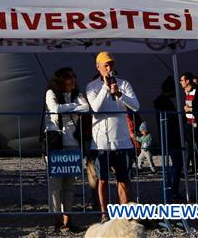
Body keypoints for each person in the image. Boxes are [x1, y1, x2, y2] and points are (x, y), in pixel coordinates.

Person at [86, 52, 139, 220]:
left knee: (123, 180)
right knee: (102, 180)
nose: (109, 68)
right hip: (100, 143)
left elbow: (136, 106)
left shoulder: (124, 84)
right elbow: (96, 108)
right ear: (98, 67)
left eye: (111, 64)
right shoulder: (92, 86)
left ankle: (123, 214)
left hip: (122, 142)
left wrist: (119, 94)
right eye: (105, 65)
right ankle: (105, 213)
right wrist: (105, 87)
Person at [44, 67, 89, 233]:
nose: (72, 80)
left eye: (73, 77)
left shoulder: (78, 94)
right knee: (55, 185)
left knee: (69, 185)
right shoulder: (51, 93)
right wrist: (74, 107)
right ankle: (56, 220)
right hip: (56, 143)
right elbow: (54, 108)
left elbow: (86, 108)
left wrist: (67, 107)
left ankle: (67, 219)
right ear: (61, 80)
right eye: (68, 78)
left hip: (72, 143)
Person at [153, 76, 183, 202]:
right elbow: (172, 121)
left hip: (168, 136)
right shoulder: (165, 103)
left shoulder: (160, 102)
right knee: (177, 163)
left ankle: (172, 190)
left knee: (174, 164)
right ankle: (172, 190)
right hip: (172, 137)